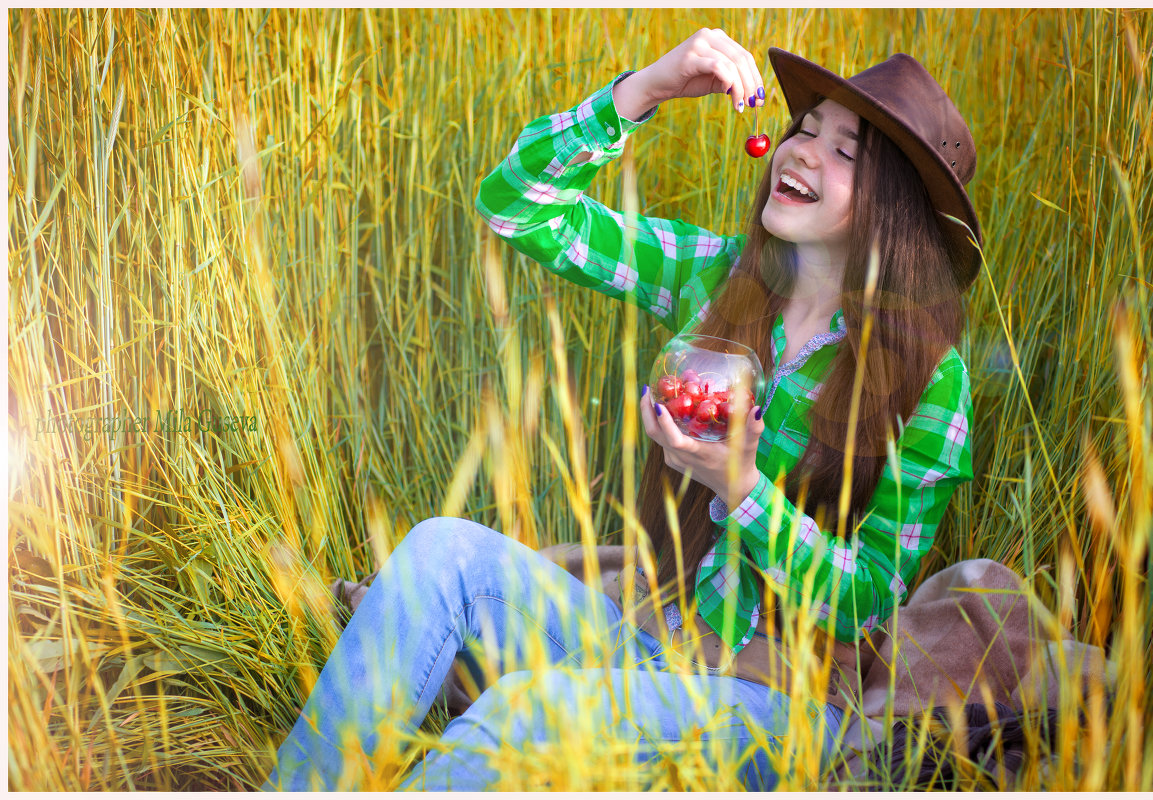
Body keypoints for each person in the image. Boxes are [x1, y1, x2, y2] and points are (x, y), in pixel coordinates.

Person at [261, 28, 978, 791]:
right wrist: (646, 89)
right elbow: (518, 207)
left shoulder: (928, 378)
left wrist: (741, 489)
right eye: (805, 129)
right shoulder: (716, 277)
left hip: (776, 700)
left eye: (845, 152)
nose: (801, 152)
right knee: (443, 550)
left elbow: (868, 593)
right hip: (648, 641)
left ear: (894, 207)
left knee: (529, 710)